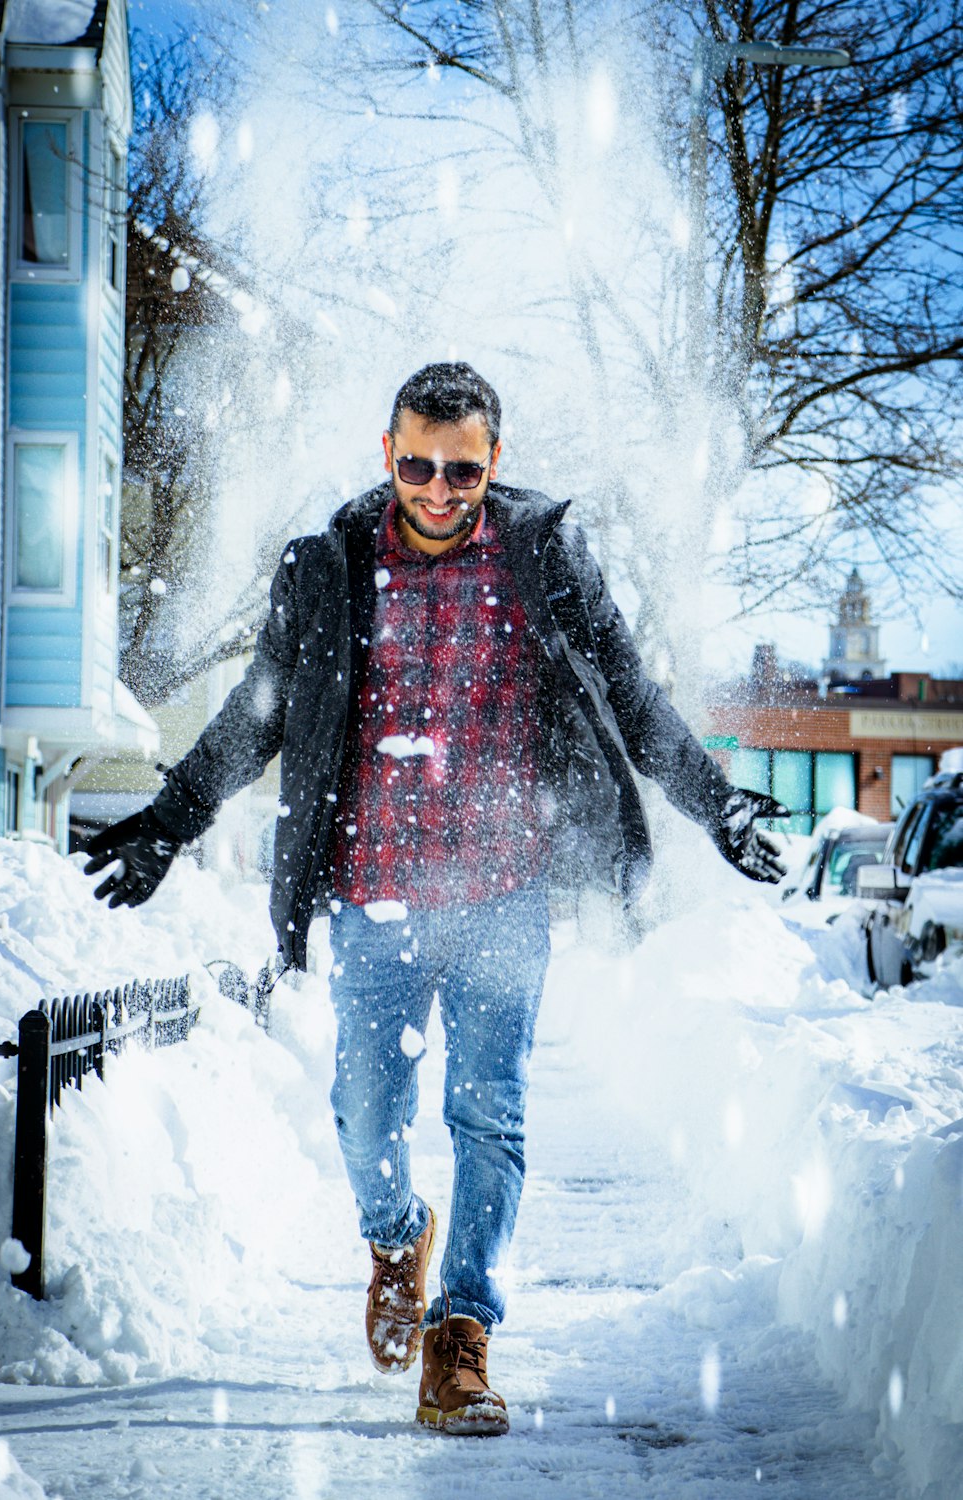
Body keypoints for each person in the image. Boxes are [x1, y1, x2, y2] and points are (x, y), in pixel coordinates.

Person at [84, 362, 787, 1436]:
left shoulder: (542, 558)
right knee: (365, 1118)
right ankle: (395, 1235)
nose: (439, 488)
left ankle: (462, 1338)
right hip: (376, 895)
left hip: (504, 892)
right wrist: (170, 823)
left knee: (488, 1112)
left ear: (494, 462)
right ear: (387, 454)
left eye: (462, 469)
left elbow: (632, 698)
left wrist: (715, 801)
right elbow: (257, 712)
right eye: (417, 464)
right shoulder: (330, 566)